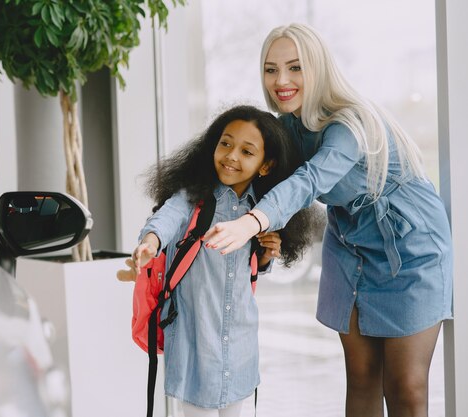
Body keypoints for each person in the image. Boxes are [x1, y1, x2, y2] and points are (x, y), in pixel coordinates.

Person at [202, 23, 453, 417]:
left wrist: (251, 222)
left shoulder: (348, 124)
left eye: (295, 67)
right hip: (350, 243)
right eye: (271, 70)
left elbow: (310, 180)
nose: (281, 81)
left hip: (410, 245)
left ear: (318, 68)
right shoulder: (285, 129)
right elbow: (254, 176)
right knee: (361, 376)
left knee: (406, 387)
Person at [118, 105, 319, 417]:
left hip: (240, 342)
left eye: (246, 151)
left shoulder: (262, 212)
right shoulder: (194, 197)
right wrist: (150, 242)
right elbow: (167, 217)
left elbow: (249, 272)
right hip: (195, 340)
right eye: (225, 143)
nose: (231, 156)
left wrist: (265, 255)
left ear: (265, 166)